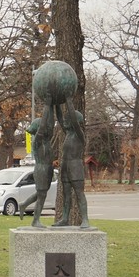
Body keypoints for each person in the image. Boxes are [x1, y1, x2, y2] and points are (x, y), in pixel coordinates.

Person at [53, 97, 90, 228]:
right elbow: (59, 118)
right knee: (66, 194)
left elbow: (73, 120)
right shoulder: (68, 133)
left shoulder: (80, 134)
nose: (66, 121)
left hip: (76, 166)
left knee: (79, 193)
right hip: (65, 166)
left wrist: (68, 98)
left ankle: (85, 219)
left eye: (69, 119)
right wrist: (56, 103)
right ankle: (65, 218)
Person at [20, 106, 56, 227]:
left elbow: (51, 123)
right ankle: (35, 220)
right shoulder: (38, 140)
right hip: (41, 169)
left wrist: (52, 107)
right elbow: (43, 127)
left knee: (42, 193)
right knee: (42, 195)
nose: (47, 128)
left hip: (48, 168)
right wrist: (48, 105)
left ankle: (24, 204)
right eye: (43, 126)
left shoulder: (46, 140)